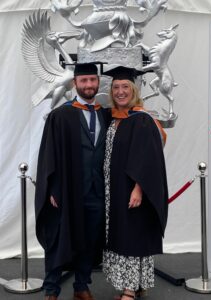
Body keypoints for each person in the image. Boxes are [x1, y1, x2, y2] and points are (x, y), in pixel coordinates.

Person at [35, 62, 110, 300]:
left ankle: (81, 286)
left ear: (98, 82)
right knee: (60, 238)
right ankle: (51, 289)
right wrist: (53, 188)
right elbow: (49, 155)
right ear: (74, 83)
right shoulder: (61, 115)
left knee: (89, 240)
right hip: (68, 189)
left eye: (92, 80)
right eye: (83, 81)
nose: (88, 85)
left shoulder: (105, 114)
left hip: (97, 191)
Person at [102, 66, 168, 300]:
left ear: (134, 90)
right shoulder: (116, 120)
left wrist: (138, 189)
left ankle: (129, 290)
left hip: (131, 190)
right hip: (115, 190)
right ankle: (138, 285)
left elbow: (148, 159)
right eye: (116, 87)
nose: (120, 92)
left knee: (131, 236)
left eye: (125, 87)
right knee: (126, 235)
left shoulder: (141, 119)